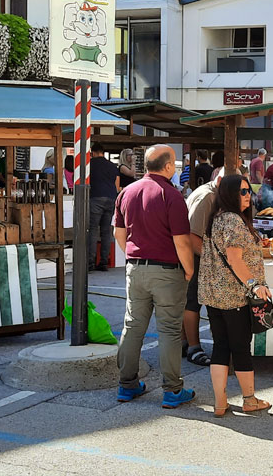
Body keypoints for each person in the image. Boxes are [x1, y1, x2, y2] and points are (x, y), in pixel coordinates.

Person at [113, 144, 196, 408]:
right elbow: (181, 240)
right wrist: (190, 269)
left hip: (135, 267)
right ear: (169, 166)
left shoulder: (127, 191)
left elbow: (119, 233)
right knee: (170, 330)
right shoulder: (171, 195)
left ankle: (127, 385)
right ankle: (172, 390)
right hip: (167, 270)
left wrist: (132, 256)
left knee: (132, 326)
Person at [199, 174, 272, 416]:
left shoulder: (217, 218)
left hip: (214, 296)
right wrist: (254, 285)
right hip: (235, 296)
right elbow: (234, 258)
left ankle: (220, 402)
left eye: (248, 190)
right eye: (242, 192)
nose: (248, 195)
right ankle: (249, 399)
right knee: (241, 349)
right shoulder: (233, 221)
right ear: (230, 194)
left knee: (221, 347)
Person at [183, 168, 226, 367]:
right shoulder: (207, 197)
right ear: (219, 181)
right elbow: (192, 236)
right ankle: (194, 347)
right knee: (193, 301)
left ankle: (185, 343)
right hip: (194, 256)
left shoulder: (210, 193)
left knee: (192, 300)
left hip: (198, 255)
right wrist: (213, 259)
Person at [88, 142, 120, 272]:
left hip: (95, 197)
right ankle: (104, 262)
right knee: (106, 231)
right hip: (111, 198)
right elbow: (117, 186)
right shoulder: (112, 166)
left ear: (93, 152)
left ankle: (90, 262)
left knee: (93, 230)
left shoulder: (90, 164)